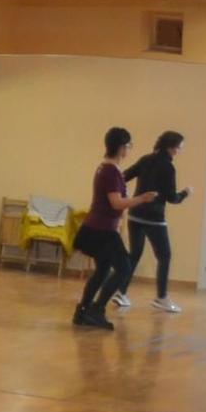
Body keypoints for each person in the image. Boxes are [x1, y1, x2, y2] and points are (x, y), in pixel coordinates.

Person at [72, 127, 157, 331]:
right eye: (128, 146)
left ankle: (83, 310)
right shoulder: (110, 171)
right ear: (120, 147)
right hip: (102, 230)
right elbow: (116, 203)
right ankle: (96, 309)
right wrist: (142, 198)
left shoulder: (107, 168)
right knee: (124, 268)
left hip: (97, 228)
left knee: (102, 269)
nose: (129, 149)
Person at [122, 130, 193, 313]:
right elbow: (171, 198)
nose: (180, 151)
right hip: (154, 218)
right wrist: (185, 193)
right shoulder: (168, 167)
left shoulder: (146, 159)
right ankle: (161, 298)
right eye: (179, 148)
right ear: (171, 147)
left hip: (135, 213)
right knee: (164, 256)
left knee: (134, 254)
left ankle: (120, 292)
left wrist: (126, 197)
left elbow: (123, 176)